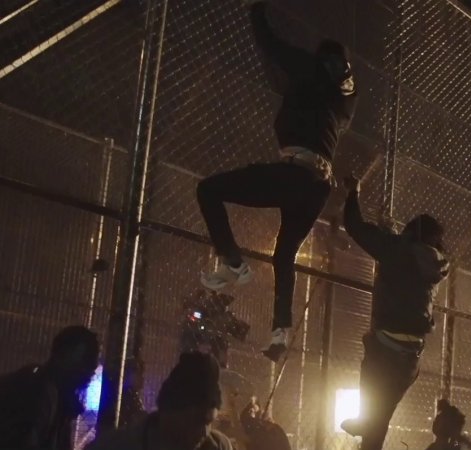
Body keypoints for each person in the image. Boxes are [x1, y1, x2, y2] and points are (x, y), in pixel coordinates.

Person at [196, 0, 357, 361]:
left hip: (295, 173)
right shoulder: (343, 99)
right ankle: (281, 332)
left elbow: (270, 43)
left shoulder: (310, 71)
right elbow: (342, 91)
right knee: (284, 254)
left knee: (208, 189)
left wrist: (256, 10)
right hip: (317, 185)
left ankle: (232, 261)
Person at [339, 174, 450, 450]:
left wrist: (354, 192)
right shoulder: (436, 262)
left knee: (375, 423)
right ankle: (366, 422)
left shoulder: (397, 250)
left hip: (385, 349)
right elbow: (407, 256)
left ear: (410, 233)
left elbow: (354, 226)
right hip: (411, 357)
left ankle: (366, 422)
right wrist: (391, 233)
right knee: (380, 421)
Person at [87, 352, 233, 450]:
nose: (204, 432)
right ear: (170, 411)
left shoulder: (218, 445)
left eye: (209, 422)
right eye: (197, 421)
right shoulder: (116, 446)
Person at [0, 325, 100, 450]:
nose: (91, 370)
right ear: (64, 355)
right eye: (87, 359)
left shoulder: (55, 396)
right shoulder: (36, 393)